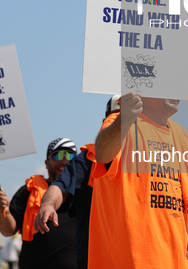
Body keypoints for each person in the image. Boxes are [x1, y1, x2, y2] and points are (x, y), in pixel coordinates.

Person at [90, 92, 188, 269]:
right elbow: (103, 155)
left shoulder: (181, 135)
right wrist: (124, 119)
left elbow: (180, 209)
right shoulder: (121, 122)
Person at [34, 96, 120, 269]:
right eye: (116, 120)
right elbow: (59, 186)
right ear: (105, 124)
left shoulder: (150, 161)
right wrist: (48, 204)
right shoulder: (88, 160)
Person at [0, 138, 78, 269]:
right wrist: (4, 211)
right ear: (46, 163)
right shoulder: (29, 190)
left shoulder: (84, 192)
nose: (64, 160)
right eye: (58, 155)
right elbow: (8, 231)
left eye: (71, 156)